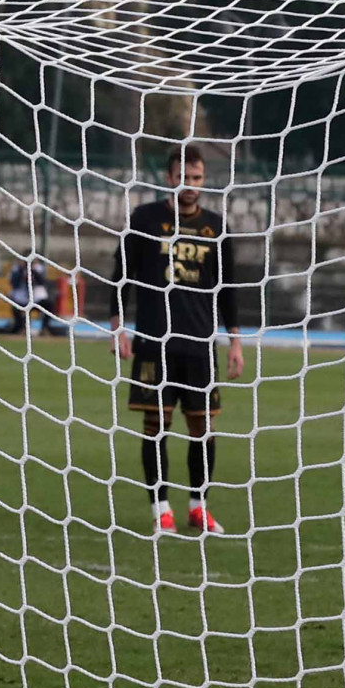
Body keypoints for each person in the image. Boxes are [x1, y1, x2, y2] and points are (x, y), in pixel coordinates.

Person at [109, 144, 244, 537]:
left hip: (200, 345)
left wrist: (235, 342)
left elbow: (228, 288)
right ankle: (161, 509)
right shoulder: (145, 219)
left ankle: (199, 508)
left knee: (203, 430)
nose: (191, 185)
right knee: (156, 427)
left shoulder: (216, 227)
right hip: (154, 341)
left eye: (198, 178)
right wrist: (117, 325)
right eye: (184, 177)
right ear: (169, 179)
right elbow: (122, 274)